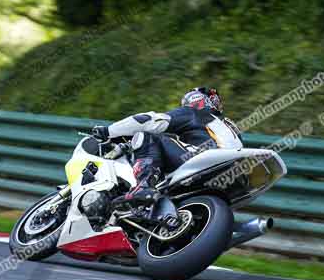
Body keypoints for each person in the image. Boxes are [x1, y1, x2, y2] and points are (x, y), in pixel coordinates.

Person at [91, 87, 242, 209]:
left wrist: (108, 131)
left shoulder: (193, 113)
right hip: (232, 176)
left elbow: (147, 121)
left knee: (146, 136)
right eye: (215, 100)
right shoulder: (230, 128)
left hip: (203, 160)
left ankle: (143, 186)